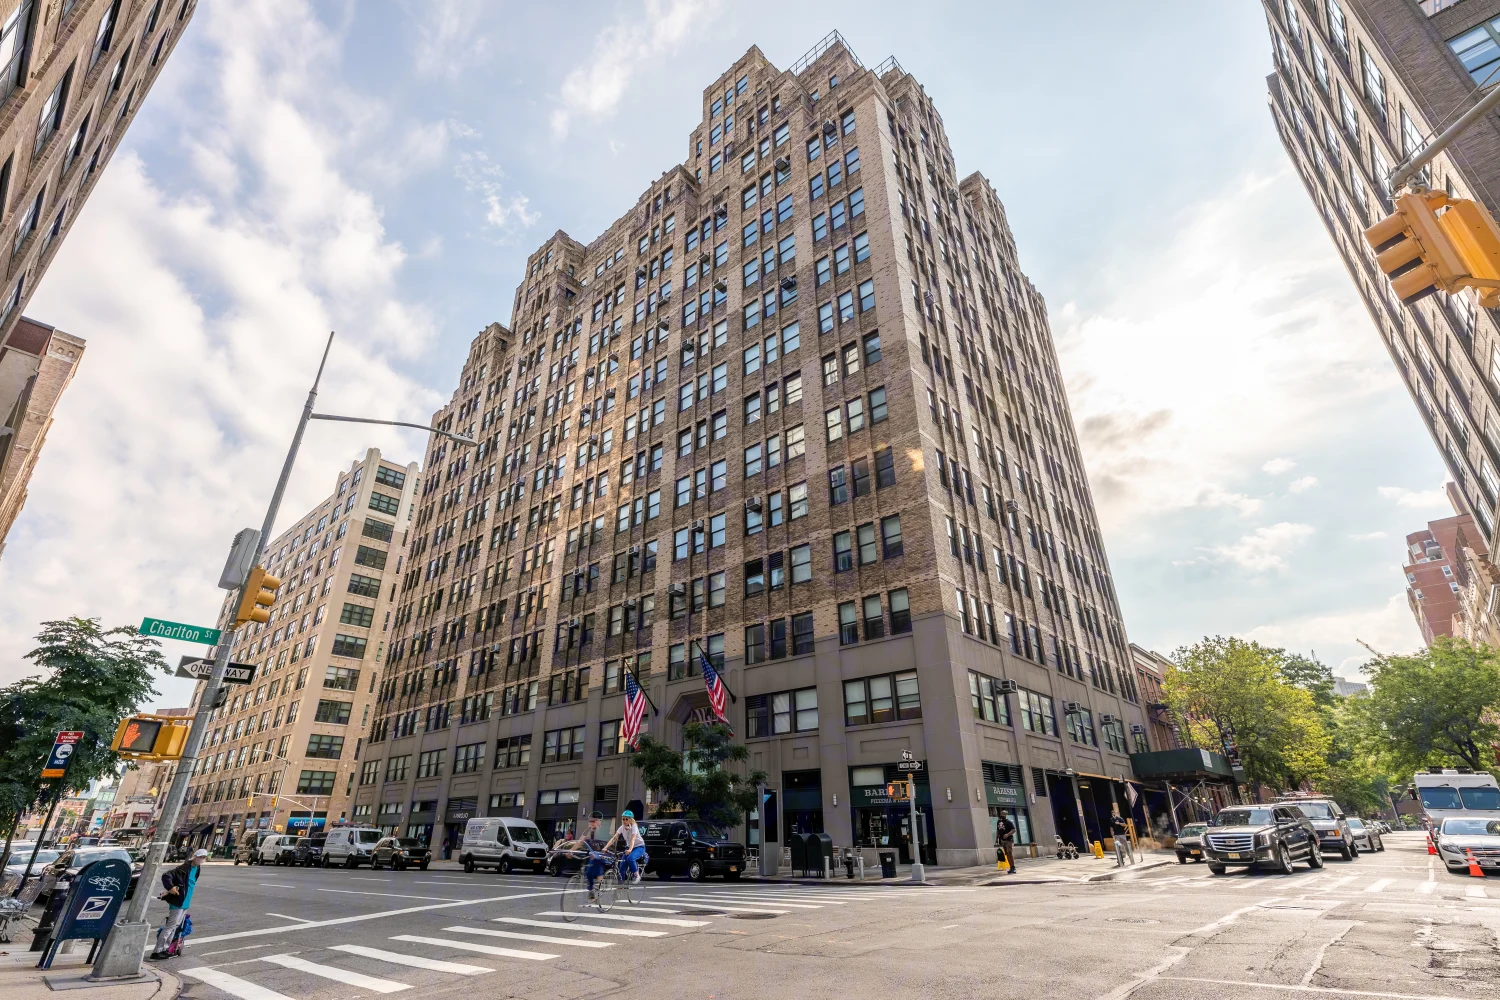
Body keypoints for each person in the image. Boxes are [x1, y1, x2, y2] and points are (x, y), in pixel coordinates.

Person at [149, 848, 205, 960]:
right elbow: (166, 875)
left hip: (185, 902)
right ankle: (157, 951)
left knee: (174, 927)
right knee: (170, 926)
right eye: (200, 857)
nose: (202, 859)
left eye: (204, 858)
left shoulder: (197, 868)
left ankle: (164, 949)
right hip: (178, 902)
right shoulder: (184, 868)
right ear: (195, 857)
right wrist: (170, 887)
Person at [580, 812, 611, 901]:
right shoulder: (589, 831)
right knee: (589, 872)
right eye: (590, 821)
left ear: (599, 822)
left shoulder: (603, 831)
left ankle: (597, 891)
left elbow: (607, 843)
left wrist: (601, 852)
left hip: (602, 854)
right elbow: (580, 841)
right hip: (593, 855)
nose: (591, 823)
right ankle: (591, 889)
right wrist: (571, 850)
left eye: (593, 821)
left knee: (598, 869)